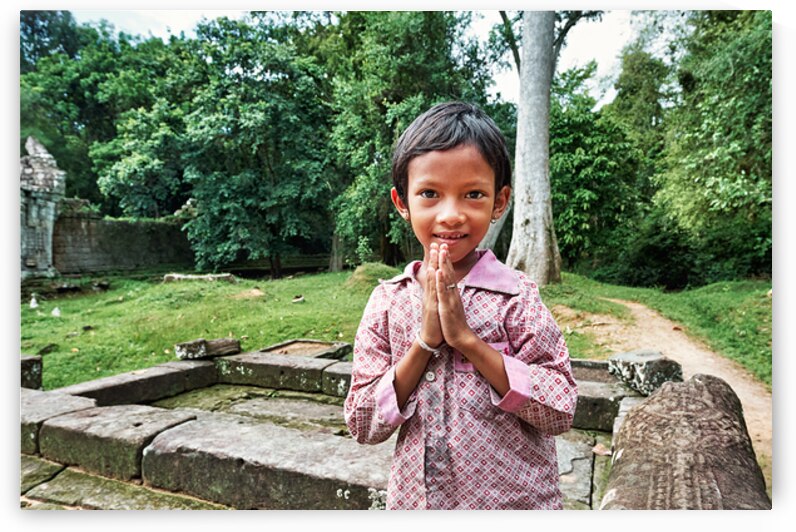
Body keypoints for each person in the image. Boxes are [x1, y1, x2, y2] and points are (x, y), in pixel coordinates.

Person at [344, 101, 577, 510]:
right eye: (430, 194)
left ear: (499, 201)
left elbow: (560, 408)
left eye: (473, 194)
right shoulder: (387, 302)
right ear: (402, 201)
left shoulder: (518, 297)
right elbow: (362, 422)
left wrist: (469, 341)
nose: (451, 215)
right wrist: (425, 342)